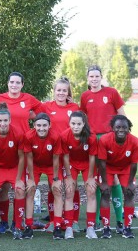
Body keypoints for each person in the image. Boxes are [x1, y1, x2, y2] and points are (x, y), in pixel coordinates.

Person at [0, 72, 42, 233]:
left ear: (22, 85)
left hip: (22, 148)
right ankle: (4, 221)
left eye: (17, 82)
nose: (14, 85)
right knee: (2, 189)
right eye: (12, 82)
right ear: (7, 83)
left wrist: (31, 116)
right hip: (2, 148)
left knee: (20, 187)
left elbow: (43, 112)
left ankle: (16, 222)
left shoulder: (28, 99)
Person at [80, 65, 125, 232]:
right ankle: (98, 219)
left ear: (101, 77)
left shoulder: (112, 92)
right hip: (93, 140)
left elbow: (122, 116)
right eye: (91, 76)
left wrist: (122, 137)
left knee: (114, 179)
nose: (94, 79)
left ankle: (120, 220)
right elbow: (82, 118)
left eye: (96, 76)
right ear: (88, 79)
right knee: (98, 180)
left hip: (110, 139)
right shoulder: (85, 96)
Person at [41, 78, 81, 232]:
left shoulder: (74, 107)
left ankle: (74, 220)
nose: (61, 93)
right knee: (54, 187)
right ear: (54, 91)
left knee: (72, 186)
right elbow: (32, 115)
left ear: (68, 92)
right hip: (54, 153)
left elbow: (80, 125)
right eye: (59, 90)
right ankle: (53, 220)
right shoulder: (46, 106)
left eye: (64, 90)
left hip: (71, 153)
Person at [0, 102, 26, 240]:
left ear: (10, 120)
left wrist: (19, 179)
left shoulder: (18, 133)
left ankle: (17, 226)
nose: (3, 123)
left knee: (19, 189)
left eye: (5, 120)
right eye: (0, 121)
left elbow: (21, 158)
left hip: (14, 167)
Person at [23, 113, 64, 240]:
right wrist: (30, 179)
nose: (42, 128)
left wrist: (56, 179)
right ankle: (28, 226)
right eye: (39, 125)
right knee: (30, 190)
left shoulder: (55, 136)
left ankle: (57, 226)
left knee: (57, 190)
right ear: (34, 125)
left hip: (51, 165)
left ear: (49, 125)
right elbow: (29, 158)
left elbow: (56, 158)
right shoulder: (28, 136)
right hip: (35, 165)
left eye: (45, 125)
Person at [98, 115, 138, 239]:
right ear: (112, 128)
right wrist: (104, 182)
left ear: (129, 129)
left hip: (126, 168)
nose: (121, 130)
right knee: (105, 192)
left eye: (124, 127)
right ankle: (106, 228)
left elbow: (134, 164)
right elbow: (102, 163)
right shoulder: (104, 140)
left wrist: (131, 182)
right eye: (118, 127)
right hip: (108, 167)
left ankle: (127, 228)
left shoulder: (135, 141)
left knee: (129, 193)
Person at [60, 111, 97, 239]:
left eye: (78, 124)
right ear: (69, 123)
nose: (75, 126)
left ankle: (91, 227)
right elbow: (65, 156)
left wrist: (91, 177)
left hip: (87, 164)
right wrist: (69, 176)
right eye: (73, 123)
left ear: (83, 124)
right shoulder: (64, 136)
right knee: (69, 191)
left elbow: (92, 158)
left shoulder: (91, 137)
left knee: (91, 191)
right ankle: (69, 227)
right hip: (71, 164)